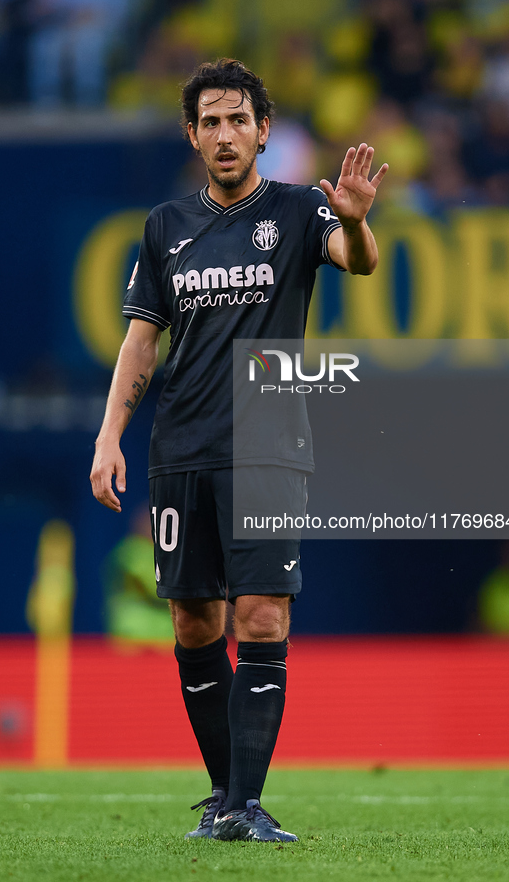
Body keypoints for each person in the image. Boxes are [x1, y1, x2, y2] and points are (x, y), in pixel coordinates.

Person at [90, 58, 388, 843]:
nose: (224, 134)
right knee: (194, 621)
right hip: (179, 442)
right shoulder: (164, 227)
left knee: (259, 613)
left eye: (237, 120)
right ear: (193, 135)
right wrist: (108, 435)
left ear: (262, 129)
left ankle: (247, 804)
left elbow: (357, 260)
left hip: (267, 439)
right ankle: (226, 797)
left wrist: (354, 219)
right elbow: (140, 341)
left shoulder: (297, 211)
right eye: (209, 122)